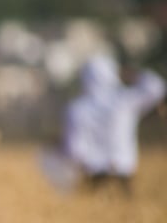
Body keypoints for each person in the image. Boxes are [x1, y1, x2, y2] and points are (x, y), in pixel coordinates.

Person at [63, 53, 165, 196]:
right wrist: (131, 74)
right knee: (127, 214)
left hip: (95, 174)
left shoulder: (77, 109)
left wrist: (82, 166)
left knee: (89, 213)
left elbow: (74, 148)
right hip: (123, 171)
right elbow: (157, 88)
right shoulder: (124, 100)